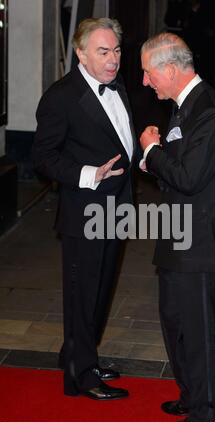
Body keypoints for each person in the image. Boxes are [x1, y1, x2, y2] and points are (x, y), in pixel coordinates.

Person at [140, 32, 215, 422]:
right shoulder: (183, 105)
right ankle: (192, 395)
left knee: (202, 329)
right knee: (175, 321)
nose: (144, 81)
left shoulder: (207, 109)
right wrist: (159, 153)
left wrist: (151, 152)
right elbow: (185, 163)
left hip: (202, 242)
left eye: (148, 72)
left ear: (170, 70)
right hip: (179, 234)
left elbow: (189, 177)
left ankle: (208, 415)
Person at [32, 18, 137, 400]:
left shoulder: (117, 85)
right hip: (85, 210)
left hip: (117, 208)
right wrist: (89, 173)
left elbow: (121, 138)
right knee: (82, 292)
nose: (113, 60)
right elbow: (42, 157)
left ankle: (79, 355)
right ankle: (82, 377)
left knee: (102, 289)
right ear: (80, 53)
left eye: (117, 51)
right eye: (103, 52)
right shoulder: (61, 96)